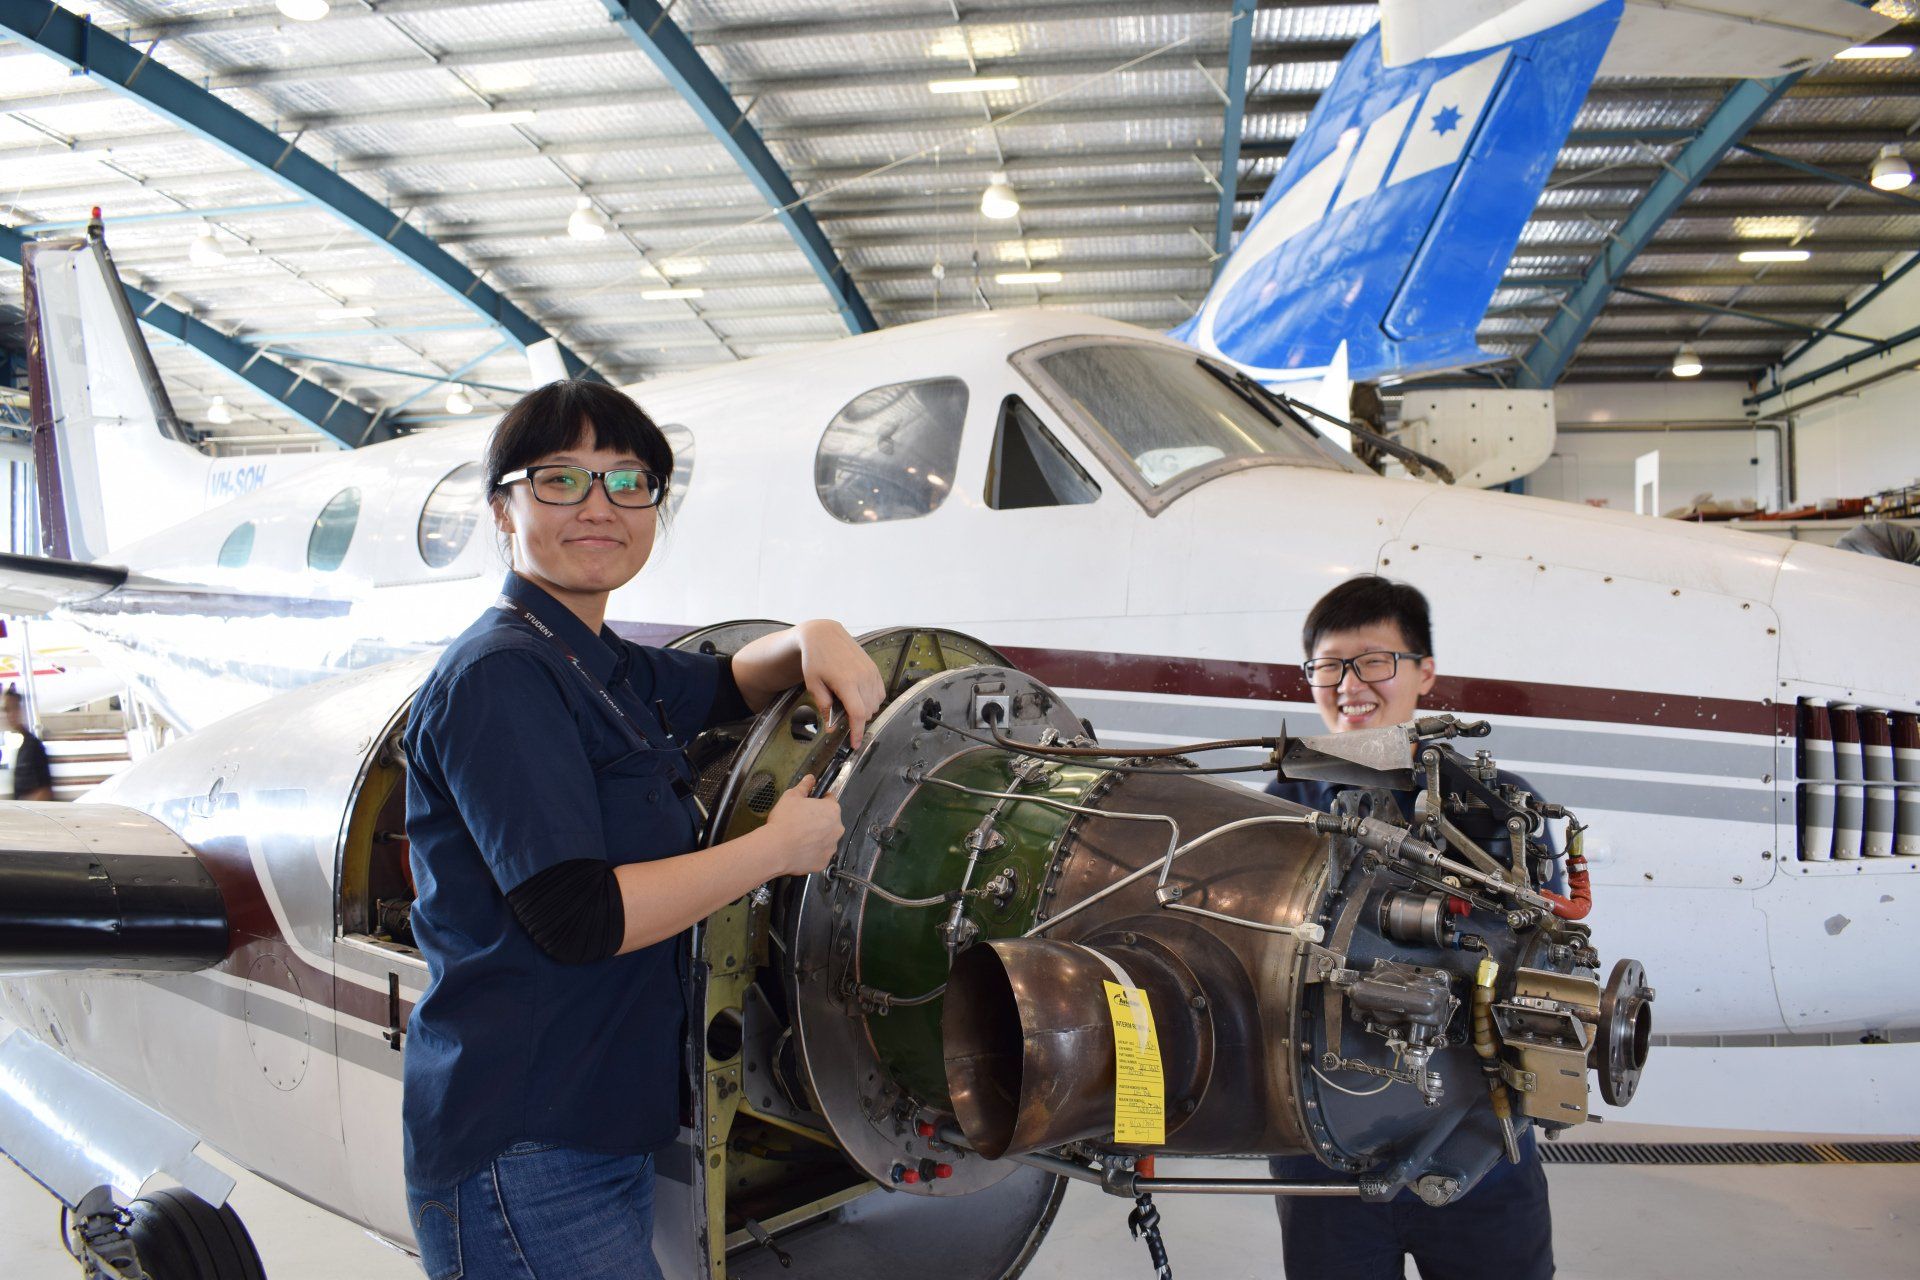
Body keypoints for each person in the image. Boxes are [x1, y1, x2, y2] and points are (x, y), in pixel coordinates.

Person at [401, 380, 886, 1280]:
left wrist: (812, 634)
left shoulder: (589, 656)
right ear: (504, 510)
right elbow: (581, 916)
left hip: (598, 1122)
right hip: (528, 1142)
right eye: (561, 481)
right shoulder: (501, 677)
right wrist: (777, 851)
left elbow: (725, 685)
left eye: (628, 482)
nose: (599, 507)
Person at [1266, 574, 1556, 1280]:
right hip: (1323, 1148)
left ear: (1425, 673)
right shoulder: (1282, 804)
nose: (1348, 684)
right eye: (1328, 666)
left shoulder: (1498, 807)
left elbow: (1551, 956)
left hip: (1477, 1141)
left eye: (1372, 662)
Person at [3, 686, 53, 801]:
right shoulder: (24, 746)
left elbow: (45, 792)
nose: (9, 715)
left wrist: (22, 809)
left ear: (22, 710)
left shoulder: (34, 747)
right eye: (6, 710)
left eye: (13, 708)